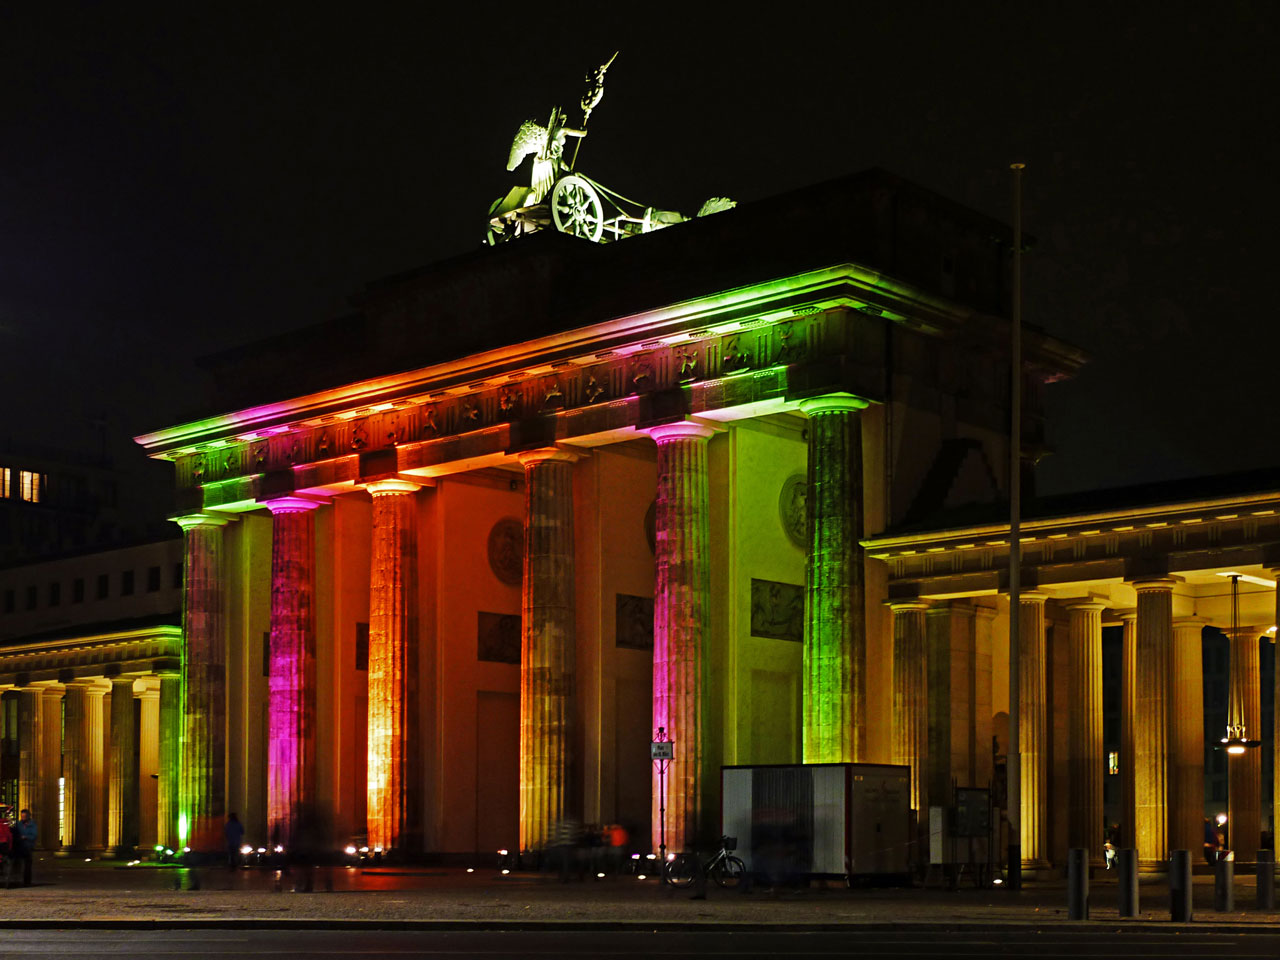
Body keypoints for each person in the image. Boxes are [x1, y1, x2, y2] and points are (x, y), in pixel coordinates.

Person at [13, 809, 37, 887]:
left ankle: (27, 881)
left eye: (25, 816)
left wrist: (26, 837)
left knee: (27, 864)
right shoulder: (18, 824)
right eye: (22, 816)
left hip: (28, 846)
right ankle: (15, 878)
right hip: (19, 845)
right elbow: (14, 833)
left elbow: (34, 836)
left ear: (28, 816)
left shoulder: (32, 825)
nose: (23, 818)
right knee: (16, 861)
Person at [0, 808, 13, 889]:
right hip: (4, 846)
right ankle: (6, 881)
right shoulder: (5, 823)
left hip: (3, 845)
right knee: (6, 863)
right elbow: (9, 836)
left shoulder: (5, 823)